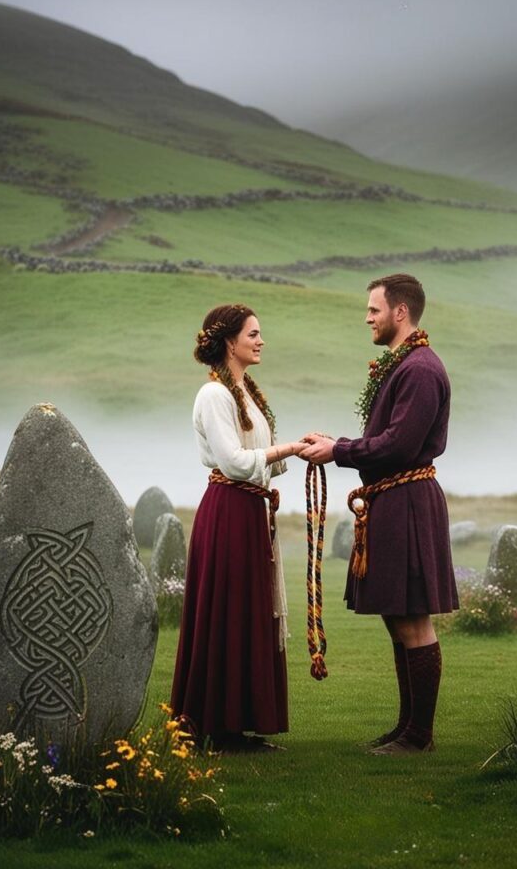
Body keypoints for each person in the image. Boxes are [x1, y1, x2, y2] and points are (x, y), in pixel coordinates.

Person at [300, 273, 457, 754]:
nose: (367, 317)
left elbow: (401, 444)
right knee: (396, 615)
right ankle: (407, 726)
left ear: (400, 312)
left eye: (374, 309)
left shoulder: (421, 370)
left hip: (409, 502)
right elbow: (388, 439)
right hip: (393, 501)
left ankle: (420, 736)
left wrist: (338, 450)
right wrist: (339, 446)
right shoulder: (404, 364)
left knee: (413, 619)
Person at [170, 303, 306, 752]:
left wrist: (298, 449)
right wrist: (282, 448)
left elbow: (260, 463)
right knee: (229, 611)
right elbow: (233, 463)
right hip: (228, 512)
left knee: (249, 611)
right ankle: (219, 725)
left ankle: (242, 724)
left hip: (250, 513)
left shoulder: (245, 391)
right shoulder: (214, 395)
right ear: (230, 342)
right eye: (253, 334)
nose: (261, 340)